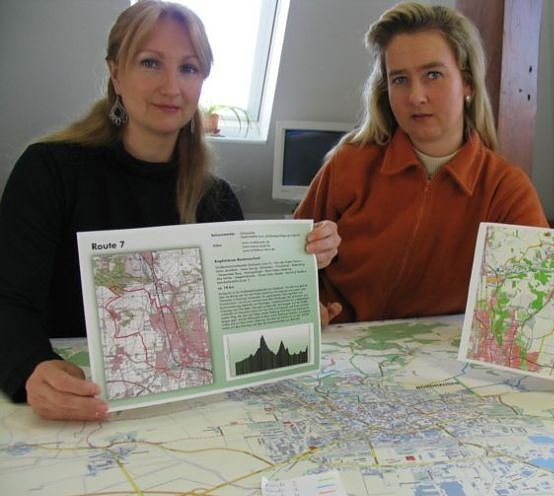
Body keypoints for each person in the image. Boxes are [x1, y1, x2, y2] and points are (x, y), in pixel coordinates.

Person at [0, 1, 339, 422]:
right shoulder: (49, 171)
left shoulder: (217, 199)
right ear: (115, 73)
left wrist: (296, 295)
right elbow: (10, 300)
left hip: (190, 412)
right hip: (82, 402)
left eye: (189, 68)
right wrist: (31, 366)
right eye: (150, 63)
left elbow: (231, 321)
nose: (171, 87)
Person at [296, 3, 554, 346]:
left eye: (433, 74)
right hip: (335, 358)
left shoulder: (504, 189)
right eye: (399, 79)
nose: (415, 96)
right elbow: (279, 270)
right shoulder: (348, 164)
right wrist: (303, 297)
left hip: (430, 373)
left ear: (467, 83)